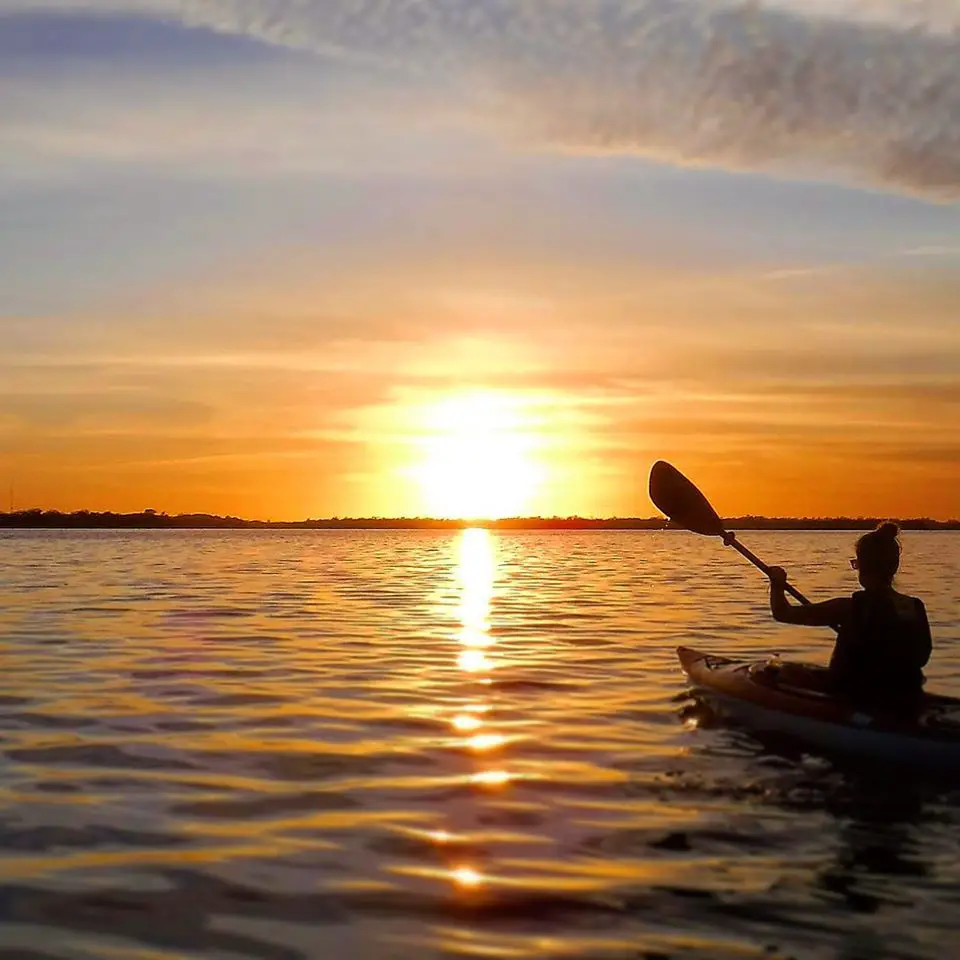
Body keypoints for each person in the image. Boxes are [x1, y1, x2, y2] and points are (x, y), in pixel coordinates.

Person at [765, 522, 932, 707]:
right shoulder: (914, 606)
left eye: (856, 564)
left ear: (862, 566)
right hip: (905, 696)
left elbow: (783, 613)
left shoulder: (848, 608)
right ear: (893, 567)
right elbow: (923, 656)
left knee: (784, 672)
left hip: (855, 696)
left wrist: (777, 584)